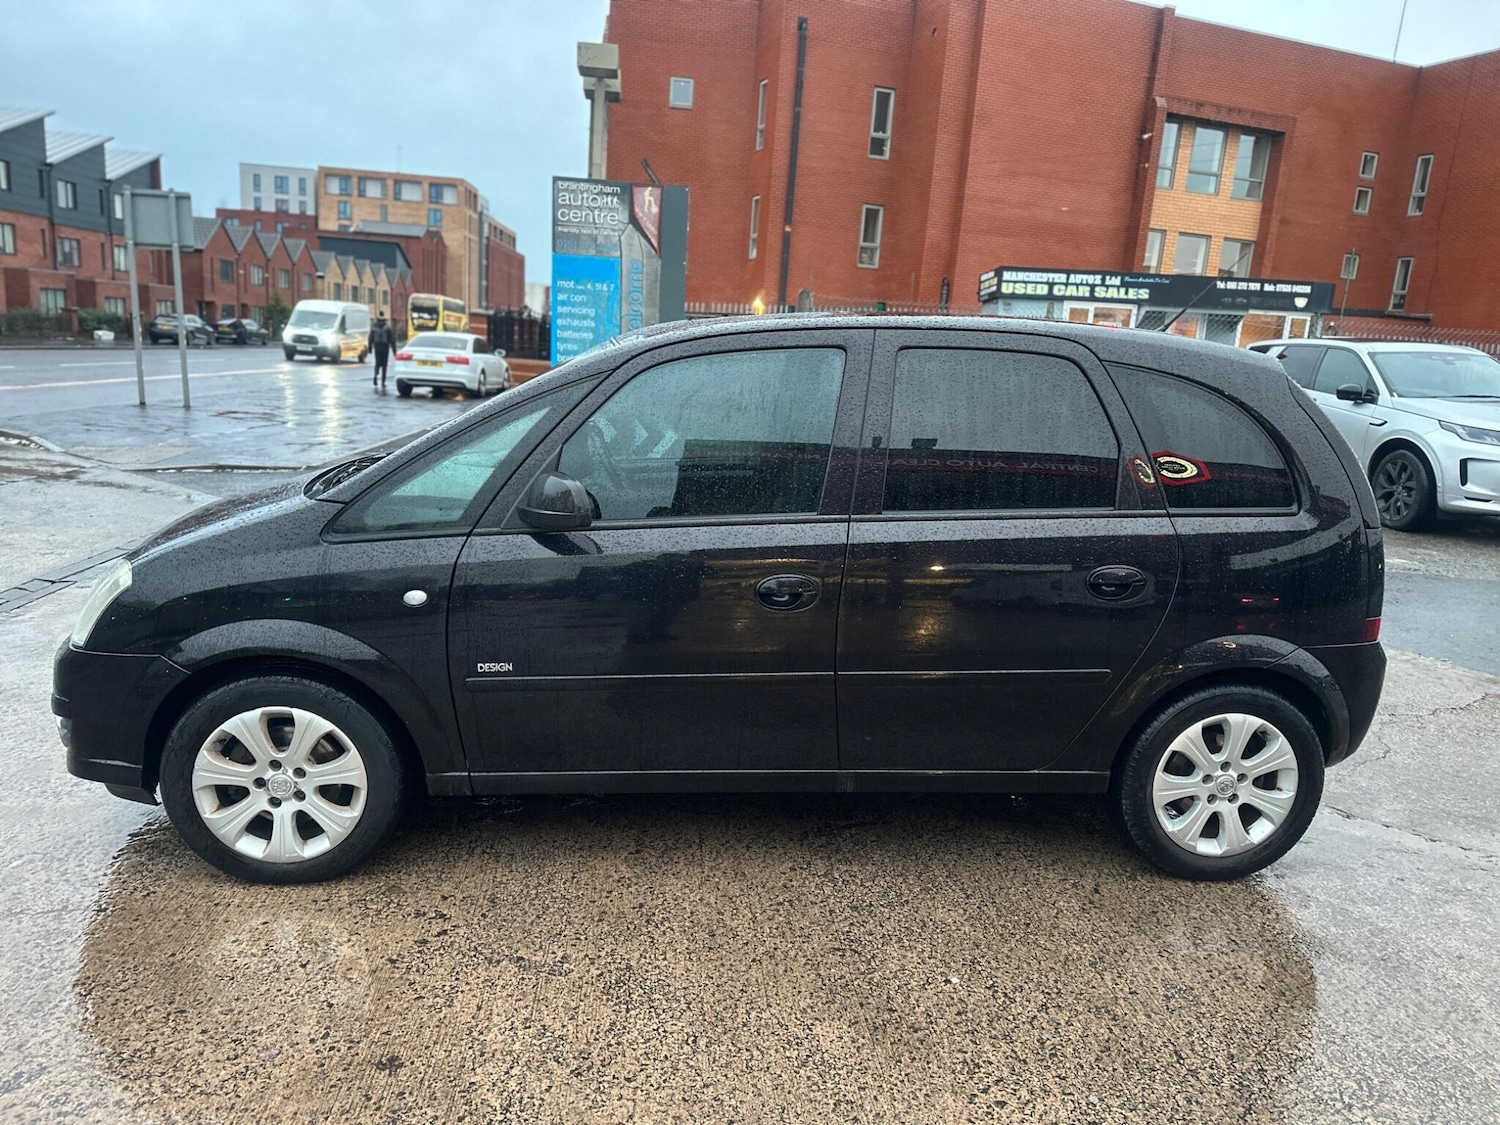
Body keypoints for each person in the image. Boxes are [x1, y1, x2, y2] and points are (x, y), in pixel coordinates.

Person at [369, 315, 396, 388]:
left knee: (377, 363)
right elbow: (392, 340)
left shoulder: (374, 328)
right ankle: (383, 381)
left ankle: (375, 376)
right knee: (384, 365)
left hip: (377, 348)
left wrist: (370, 348)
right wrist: (394, 351)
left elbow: (370, 338)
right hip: (385, 348)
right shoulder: (387, 328)